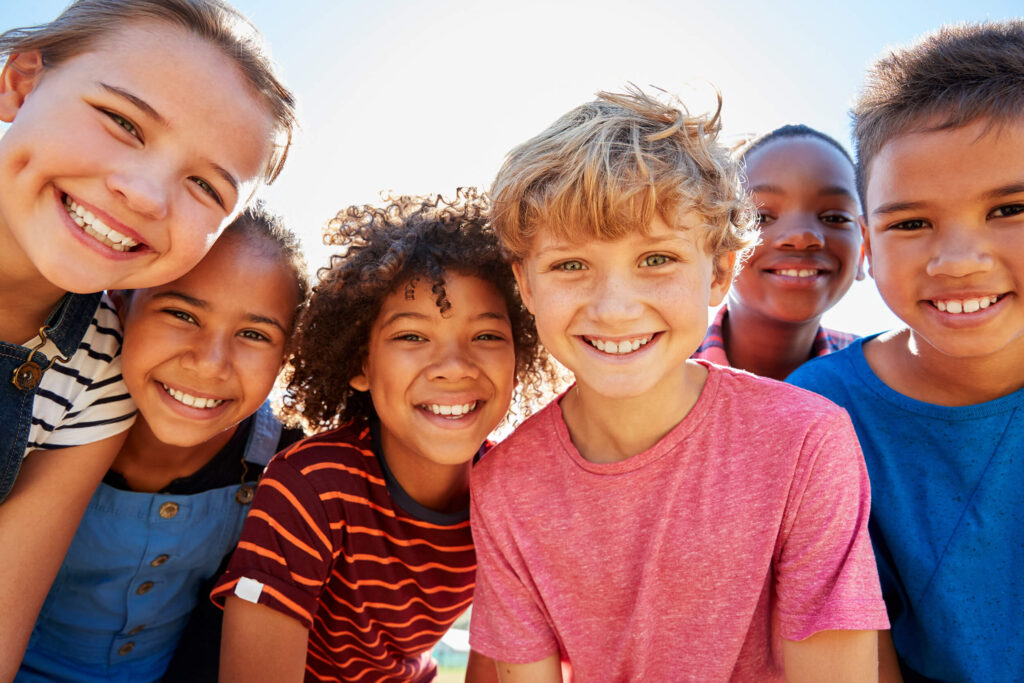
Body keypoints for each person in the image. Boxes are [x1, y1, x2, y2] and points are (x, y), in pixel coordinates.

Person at [468, 87, 890, 682]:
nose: (614, 309)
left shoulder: (807, 442)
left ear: (719, 272)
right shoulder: (504, 486)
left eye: (657, 259)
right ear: (526, 285)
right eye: (570, 265)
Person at [0, 0, 296, 673]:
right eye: (123, 122)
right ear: (20, 80)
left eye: (204, 185)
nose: (145, 193)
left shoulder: (100, 372)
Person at [213, 190, 554, 683]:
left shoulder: (513, 495)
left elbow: (499, 660)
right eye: (412, 337)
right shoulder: (312, 485)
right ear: (361, 363)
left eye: (486, 336)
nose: (455, 367)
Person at [787, 20, 1024, 682]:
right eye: (911, 223)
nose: (957, 261)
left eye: (1010, 209)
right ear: (866, 242)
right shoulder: (822, 413)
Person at [15, 205, 307, 682]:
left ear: (288, 355)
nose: (210, 364)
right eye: (181, 313)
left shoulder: (288, 462)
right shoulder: (43, 407)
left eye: (254, 334)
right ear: (120, 303)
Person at [693, 124, 863, 379]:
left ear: (863, 251)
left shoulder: (886, 380)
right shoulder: (657, 374)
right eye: (760, 217)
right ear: (718, 249)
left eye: (835, 217)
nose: (801, 236)